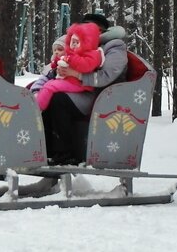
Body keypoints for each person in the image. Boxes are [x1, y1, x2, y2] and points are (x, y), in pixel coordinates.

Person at [28, 13, 127, 165]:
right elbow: (55, 69)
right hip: (75, 89)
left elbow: (107, 75)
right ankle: (45, 149)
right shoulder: (79, 44)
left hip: (97, 96)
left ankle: (66, 153)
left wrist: (77, 74)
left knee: (58, 99)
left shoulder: (113, 47)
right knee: (48, 97)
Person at [33, 22, 101, 111]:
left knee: (50, 87)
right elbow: (63, 59)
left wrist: (71, 58)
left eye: (77, 42)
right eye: (73, 42)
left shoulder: (93, 54)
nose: (74, 44)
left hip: (79, 83)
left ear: (85, 42)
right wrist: (56, 62)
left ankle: (37, 108)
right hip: (70, 80)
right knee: (48, 84)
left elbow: (85, 66)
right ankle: (38, 104)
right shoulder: (74, 53)